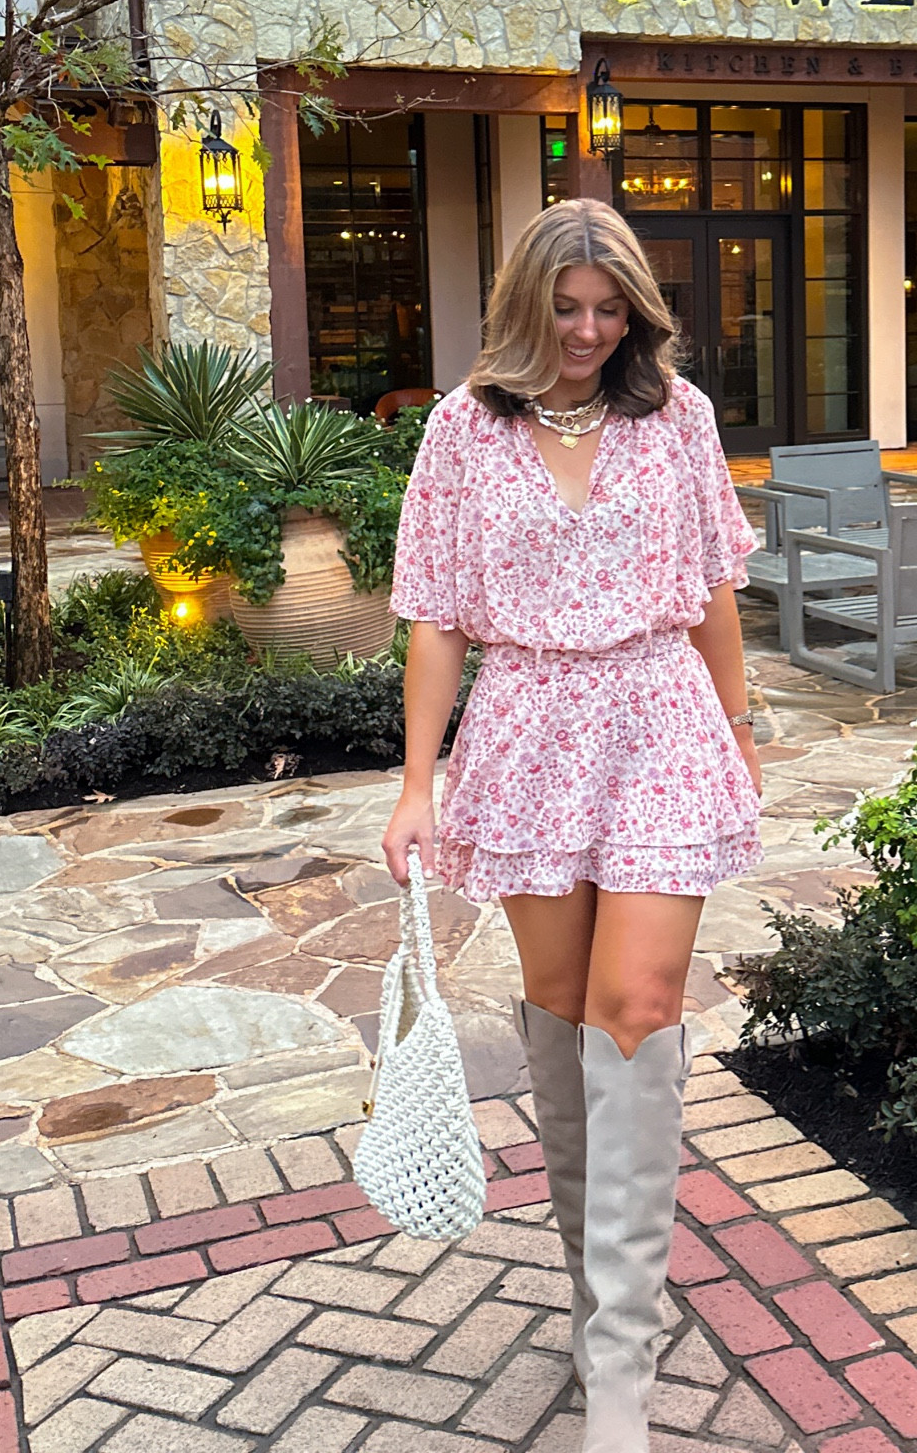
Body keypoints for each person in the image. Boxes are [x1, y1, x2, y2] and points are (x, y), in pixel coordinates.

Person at [382, 196, 762, 1450]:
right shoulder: (461, 427)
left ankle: (620, 1370)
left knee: (636, 1003)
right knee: (558, 1011)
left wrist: (738, 729)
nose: (588, 330)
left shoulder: (677, 416)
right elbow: (435, 616)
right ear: (522, 307)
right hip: (528, 728)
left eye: (608, 309)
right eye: (565, 308)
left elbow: (713, 590)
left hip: (657, 715)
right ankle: (595, 1294)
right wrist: (416, 784)